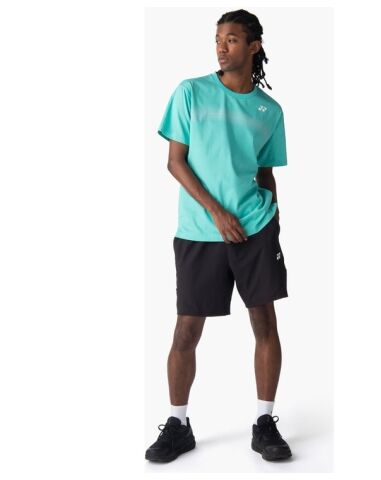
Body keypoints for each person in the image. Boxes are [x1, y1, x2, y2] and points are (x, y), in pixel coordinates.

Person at [145, 9, 292, 463]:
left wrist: (273, 221)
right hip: (199, 231)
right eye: (217, 39)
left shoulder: (270, 111)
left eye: (231, 39)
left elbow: (265, 173)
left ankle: (264, 423)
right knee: (186, 330)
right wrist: (216, 212)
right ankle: (178, 425)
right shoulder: (191, 92)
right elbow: (175, 162)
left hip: (255, 230)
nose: (221, 47)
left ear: (254, 46)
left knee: (264, 323)